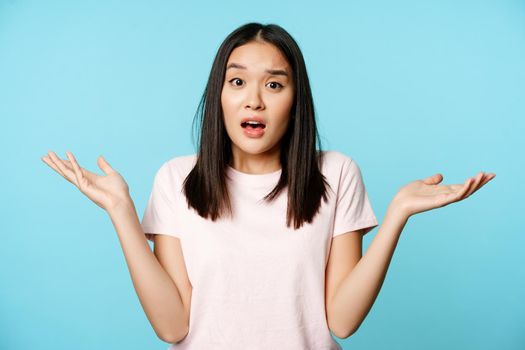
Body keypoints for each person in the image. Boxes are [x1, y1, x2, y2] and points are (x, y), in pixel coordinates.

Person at [41, 22, 496, 350]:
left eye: (274, 84)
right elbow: (172, 327)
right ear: (218, 95)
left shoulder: (335, 174)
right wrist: (122, 212)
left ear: (296, 101)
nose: (253, 99)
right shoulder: (176, 178)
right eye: (237, 81)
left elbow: (341, 321)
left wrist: (396, 215)